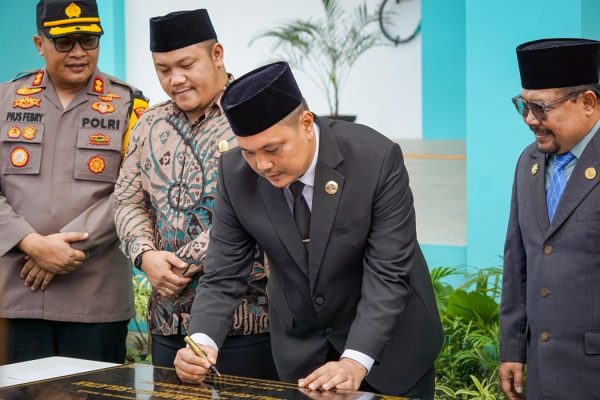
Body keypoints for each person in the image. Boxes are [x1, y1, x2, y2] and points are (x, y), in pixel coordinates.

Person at [174, 61, 443, 398]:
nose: (263, 165)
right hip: (304, 354)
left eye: (273, 149)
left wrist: (354, 361)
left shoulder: (375, 159)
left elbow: (388, 272)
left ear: (305, 123)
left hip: (391, 351)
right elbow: (223, 272)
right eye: (249, 152)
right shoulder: (235, 173)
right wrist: (201, 343)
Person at [113, 9, 277, 379]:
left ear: (217, 54)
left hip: (249, 321)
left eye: (186, 65)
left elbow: (262, 205)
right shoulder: (149, 124)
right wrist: (146, 255)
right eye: (163, 69)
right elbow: (126, 199)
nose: (175, 79)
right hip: (168, 322)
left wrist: (181, 262)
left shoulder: (256, 117)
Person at [0, 0, 148, 364]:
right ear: (40, 44)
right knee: (19, 390)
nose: (79, 53)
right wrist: (31, 243)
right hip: (15, 295)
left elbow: (134, 189)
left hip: (94, 298)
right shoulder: (4, 100)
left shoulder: (129, 104)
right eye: (65, 42)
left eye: (89, 40)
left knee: (93, 390)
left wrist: (62, 249)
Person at [499, 38, 600, 399]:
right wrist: (512, 348)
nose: (530, 119)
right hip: (541, 373)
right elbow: (518, 261)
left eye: (541, 108)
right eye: (524, 105)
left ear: (587, 103)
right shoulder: (529, 163)